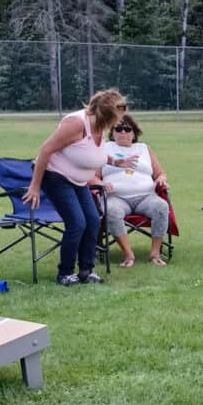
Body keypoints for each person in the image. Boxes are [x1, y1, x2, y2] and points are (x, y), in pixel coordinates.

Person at [22, 88, 129, 285]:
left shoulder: (100, 127)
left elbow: (90, 154)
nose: (120, 121)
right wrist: (35, 186)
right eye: (117, 116)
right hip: (55, 176)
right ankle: (65, 273)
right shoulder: (76, 123)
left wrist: (116, 162)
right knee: (77, 223)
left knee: (93, 221)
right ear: (106, 115)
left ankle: (86, 271)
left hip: (79, 180)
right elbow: (45, 151)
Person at [98, 113, 170, 267]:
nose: (123, 132)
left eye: (127, 129)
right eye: (118, 129)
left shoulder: (144, 148)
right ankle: (128, 254)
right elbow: (93, 176)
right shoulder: (104, 148)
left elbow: (160, 173)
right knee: (111, 210)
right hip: (115, 197)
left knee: (161, 206)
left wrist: (161, 179)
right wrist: (101, 183)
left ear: (134, 133)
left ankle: (155, 254)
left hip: (146, 197)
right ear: (112, 132)